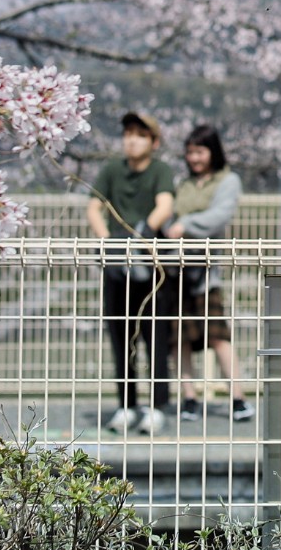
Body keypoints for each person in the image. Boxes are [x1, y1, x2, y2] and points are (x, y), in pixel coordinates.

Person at [85, 111, 178, 435]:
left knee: (156, 337)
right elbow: (94, 207)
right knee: (120, 337)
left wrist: (143, 233)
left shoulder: (160, 171)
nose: (131, 140)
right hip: (116, 265)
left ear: (153, 141)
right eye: (127, 134)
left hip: (152, 267)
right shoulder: (112, 170)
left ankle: (156, 406)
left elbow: (164, 204)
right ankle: (126, 405)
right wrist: (108, 241)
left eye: (140, 134)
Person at [163, 124, 255, 423]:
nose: (194, 158)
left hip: (206, 271)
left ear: (212, 152)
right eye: (189, 152)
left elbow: (220, 215)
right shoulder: (183, 183)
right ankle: (189, 397)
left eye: (199, 152)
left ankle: (238, 397)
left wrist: (186, 224)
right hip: (177, 268)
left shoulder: (228, 181)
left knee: (218, 336)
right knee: (180, 338)